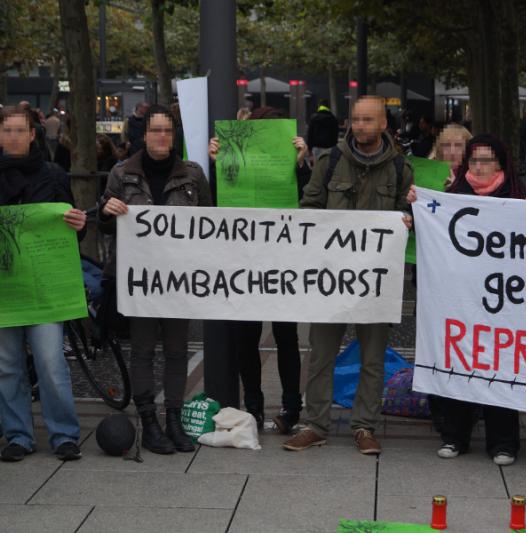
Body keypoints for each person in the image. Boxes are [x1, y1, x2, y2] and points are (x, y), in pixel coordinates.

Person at [282, 95, 413, 455]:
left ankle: (364, 426)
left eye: (368, 120)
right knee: (321, 353)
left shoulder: (401, 169)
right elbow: (309, 207)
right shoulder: (330, 161)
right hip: (331, 279)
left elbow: (411, 219)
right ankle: (315, 424)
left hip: (376, 282)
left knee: (372, 358)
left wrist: (408, 220)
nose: (360, 127)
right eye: (355, 120)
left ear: (384, 124)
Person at [99, 104, 212, 455]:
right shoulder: (122, 173)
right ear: (144, 135)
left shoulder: (192, 174)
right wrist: (107, 210)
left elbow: (209, 222)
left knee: (178, 351)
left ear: (173, 136)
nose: (161, 136)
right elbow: (104, 223)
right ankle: (149, 421)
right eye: (155, 130)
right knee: (144, 350)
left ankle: (174, 420)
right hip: (141, 282)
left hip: (178, 280)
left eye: (167, 130)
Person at [408, 134, 526, 465]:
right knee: (458, 363)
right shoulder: (452, 197)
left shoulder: (518, 197)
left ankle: (503, 442)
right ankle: (454, 435)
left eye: (486, 160)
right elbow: (430, 233)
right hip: (459, 299)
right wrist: (415, 205)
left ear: (501, 164)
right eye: (474, 160)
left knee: (501, 364)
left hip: (504, 299)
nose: (478, 166)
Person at [207, 106, 310, 432]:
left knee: (286, 335)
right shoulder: (232, 158)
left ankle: (290, 407)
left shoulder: (294, 160)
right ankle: (254, 404)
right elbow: (213, 201)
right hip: (243, 259)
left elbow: (309, 200)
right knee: (246, 337)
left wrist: (301, 164)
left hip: (281, 259)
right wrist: (216, 165)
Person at [0, 105, 87, 462]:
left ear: (33, 134)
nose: (13, 137)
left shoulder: (53, 175)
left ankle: (64, 434)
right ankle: (18, 434)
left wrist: (77, 224)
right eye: (7, 131)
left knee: (52, 362)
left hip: (46, 288)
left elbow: (68, 236)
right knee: (7, 366)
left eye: (20, 131)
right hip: (6, 290)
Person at [429, 123, 472, 188]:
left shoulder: (477, 176)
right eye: (447, 145)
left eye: (458, 145)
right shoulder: (429, 172)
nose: (452, 151)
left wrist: (456, 186)